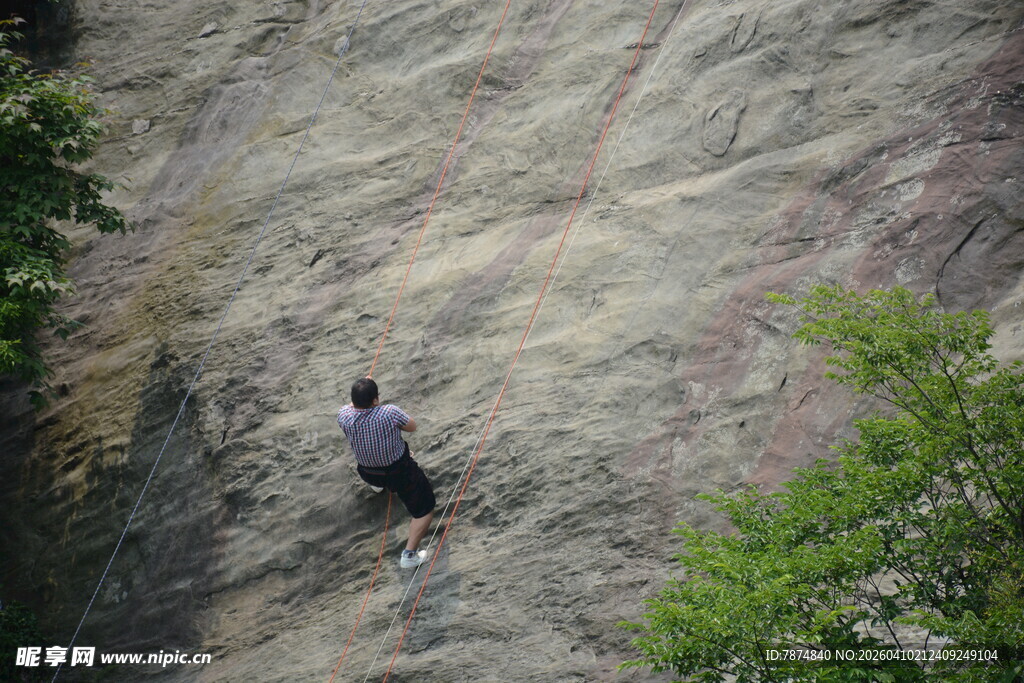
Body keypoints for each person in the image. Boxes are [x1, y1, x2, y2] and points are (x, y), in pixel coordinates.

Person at [337, 377, 436, 568]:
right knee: (425, 510)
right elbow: (412, 427)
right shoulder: (389, 412)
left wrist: (361, 392)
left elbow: (351, 406)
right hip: (399, 473)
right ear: (375, 400)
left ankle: (377, 486)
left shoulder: (344, 415)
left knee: (378, 472)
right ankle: (409, 555)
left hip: (368, 472)